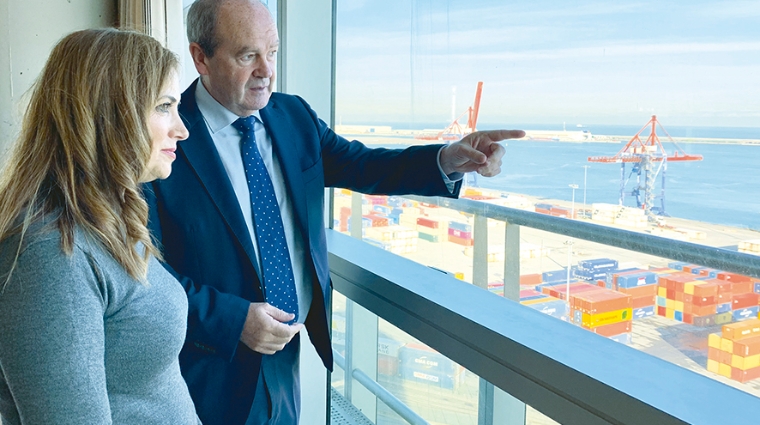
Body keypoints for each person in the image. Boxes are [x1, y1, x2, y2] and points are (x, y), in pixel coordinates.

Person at [145, 0, 525, 423]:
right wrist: (234, 321)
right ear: (201, 57)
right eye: (247, 55)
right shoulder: (162, 137)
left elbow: (364, 165)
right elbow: (146, 276)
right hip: (207, 366)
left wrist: (448, 160)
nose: (267, 71)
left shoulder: (293, 116)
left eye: (271, 52)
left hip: (287, 352)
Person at [0, 28, 199, 424]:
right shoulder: (51, 251)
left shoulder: (107, 215)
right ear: (110, 112)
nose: (182, 129)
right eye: (164, 106)